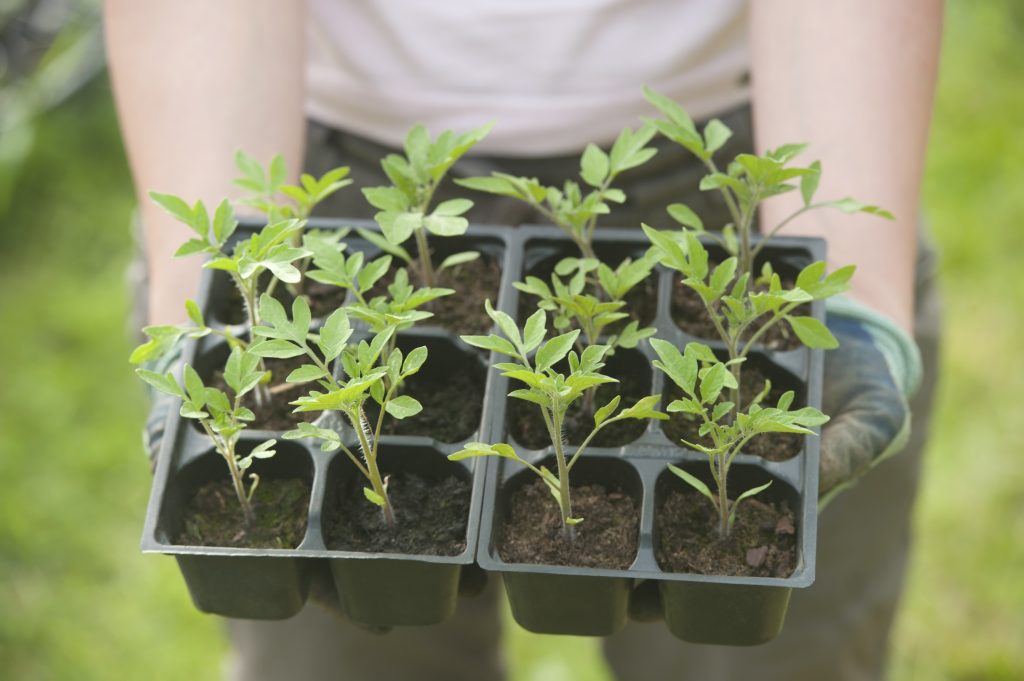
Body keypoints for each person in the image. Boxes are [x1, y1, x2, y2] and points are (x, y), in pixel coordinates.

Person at [104, 1, 943, 679]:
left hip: (758, 169)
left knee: (769, 655)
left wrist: (856, 291)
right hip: (317, 194)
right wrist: (212, 308)